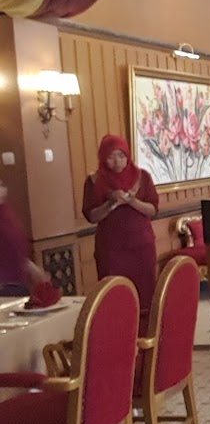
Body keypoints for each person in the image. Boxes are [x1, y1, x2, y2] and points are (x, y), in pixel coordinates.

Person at [82, 135, 159, 327]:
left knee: (145, 295)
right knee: (113, 294)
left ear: (128, 156)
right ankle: (117, 337)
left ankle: (145, 338)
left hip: (141, 248)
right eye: (111, 156)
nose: (117, 161)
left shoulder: (142, 177)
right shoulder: (94, 181)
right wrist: (111, 203)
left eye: (121, 156)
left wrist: (132, 201)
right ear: (102, 157)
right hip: (111, 250)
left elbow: (153, 210)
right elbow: (92, 216)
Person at [0, 181, 59, 305]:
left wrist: (33, 269)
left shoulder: (5, 212)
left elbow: (13, 248)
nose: (3, 188)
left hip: (16, 285)